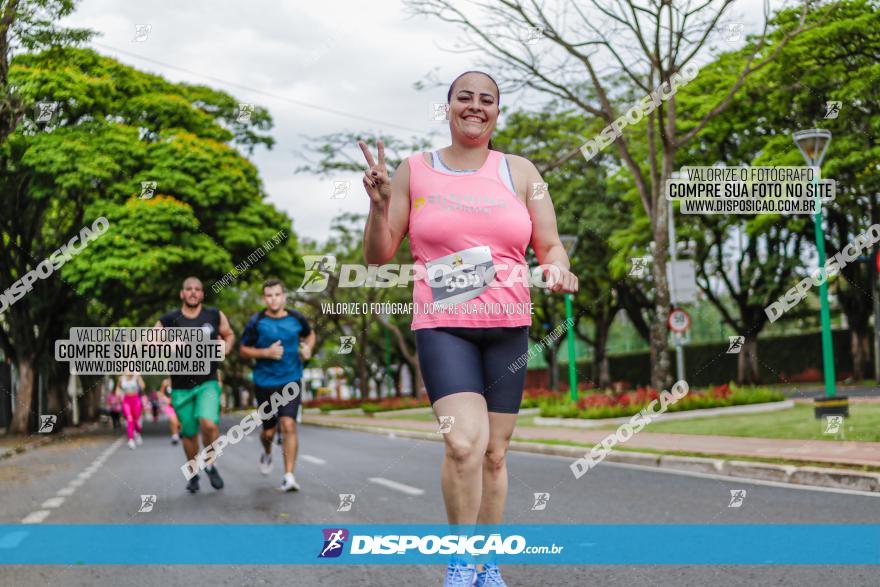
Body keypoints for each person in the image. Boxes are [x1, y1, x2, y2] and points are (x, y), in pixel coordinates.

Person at [359, 71, 578, 587]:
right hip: (444, 327)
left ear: (497, 112)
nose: (475, 107)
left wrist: (555, 267)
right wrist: (377, 205)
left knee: (495, 456)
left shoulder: (522, 172)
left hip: (507, 326)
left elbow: (549, 243)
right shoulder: (415, 170)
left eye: (487, 100)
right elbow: (378, 255)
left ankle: (487, 563)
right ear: (449, 107)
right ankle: (460, 562)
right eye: (465, 98)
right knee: (463, 445)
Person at [155, 277, 235, 493]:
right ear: (182, 293)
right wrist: (168, 344)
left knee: (209, 424)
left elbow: (229, 335)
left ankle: (211, 464)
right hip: (181, 386)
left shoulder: (214, 315)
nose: (192, 292)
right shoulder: (169, 319)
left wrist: (225, 347)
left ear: (202, 294)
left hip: (207, 381)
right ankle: (194, 472)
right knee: (189, 433)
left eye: (197, 289)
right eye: (188, 289)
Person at [240, 279, 315, 492]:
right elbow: (243, 349)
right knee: (269, 434)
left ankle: (289, 475)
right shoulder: (256, 322)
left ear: (284, 296)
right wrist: (265, 353)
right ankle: (267, 452)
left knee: (289, 424)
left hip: (291, 379)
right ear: (264, 299)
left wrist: (308, 348)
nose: (273, 299)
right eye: (269, 295)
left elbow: (310, 335)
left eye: (277, 294)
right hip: (264, 382)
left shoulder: (297, 318)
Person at [116, 371, 146, 449]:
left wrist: (139, 377)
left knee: (136, 420)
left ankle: (138, 433)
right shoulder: (121, 378)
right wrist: (118, 394)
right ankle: (131, 440)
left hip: (136, 400)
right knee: (129, 419)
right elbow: (118, 388)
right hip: (126, 401)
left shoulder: (136, 378)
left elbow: (143, 387)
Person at [160, 377, 181, 445]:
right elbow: (161, 393)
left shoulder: (179, 380)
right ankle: (174, 436)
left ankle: (178, 431)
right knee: (173, 420)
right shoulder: (165, 382)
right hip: (170, 406)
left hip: (179, 404)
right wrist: (166, 399)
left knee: (178, 422)